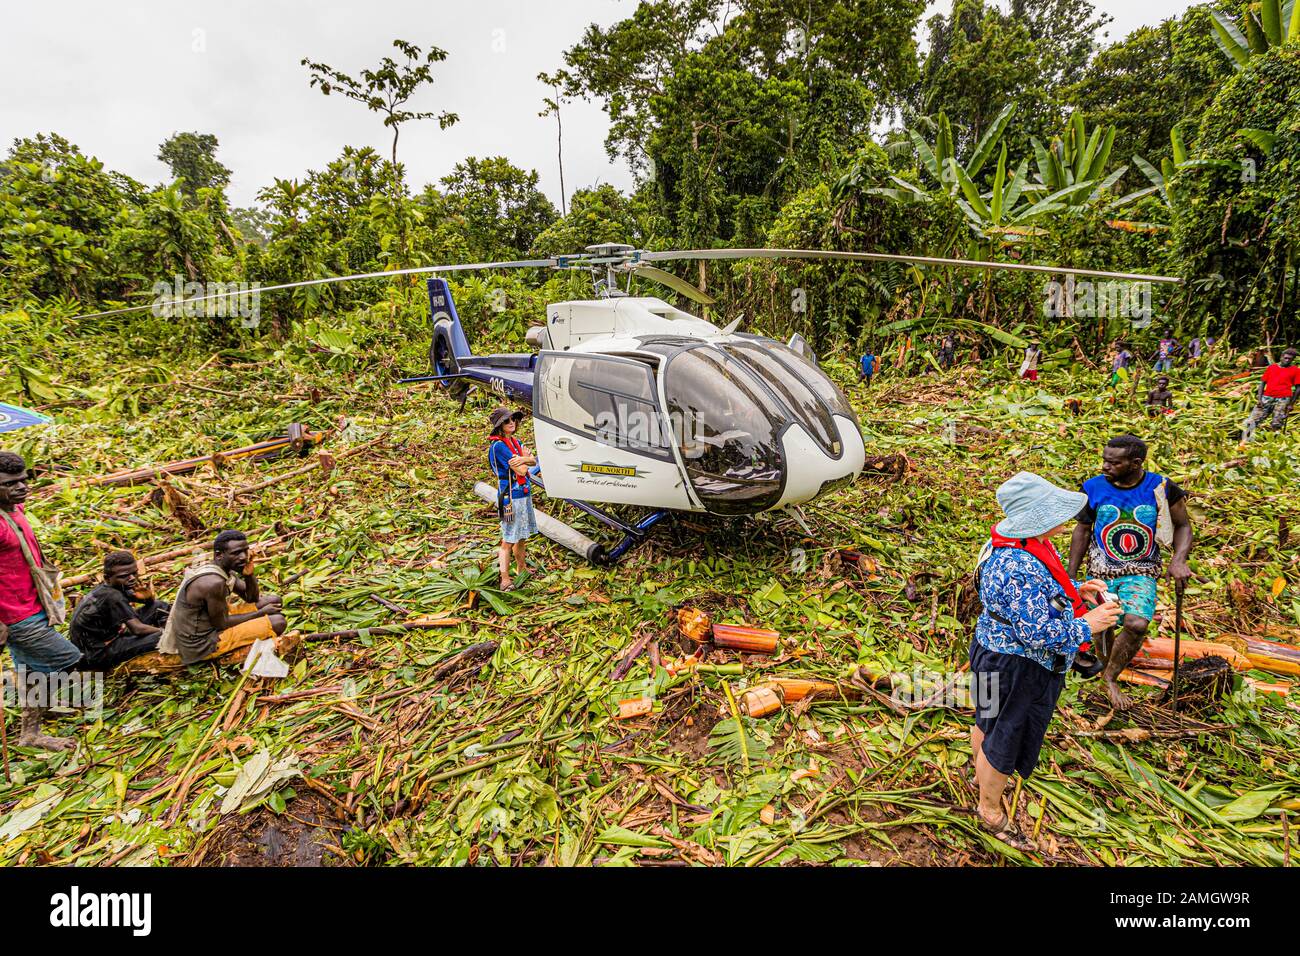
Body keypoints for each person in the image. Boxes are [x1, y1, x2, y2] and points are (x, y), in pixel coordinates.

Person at [971, 472, 1122, 849]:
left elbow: (1033, 598)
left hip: (989, 651)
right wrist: (1088, 625)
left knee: (985, 718)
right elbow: (1036, 633)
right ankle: (990, 810)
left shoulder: (1009, 544)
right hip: (1018, 667)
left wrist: (1076, 591)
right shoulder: (1021, 565)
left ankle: (978, 776)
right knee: (1006, 737)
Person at [1068, 436, 1192, 711]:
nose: (1105, 466)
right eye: (1104, 460)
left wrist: (1179, 560)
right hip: (1101, 568)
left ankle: (1110, 677)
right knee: (1103, 624)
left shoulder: (1161, 487)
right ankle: (1103, 671)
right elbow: (1083, 530)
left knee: (1136, 624)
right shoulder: (1093, 488)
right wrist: (1070, 575)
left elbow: (1183, 525)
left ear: (1136, 463)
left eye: (1114, 462)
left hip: (1141, 569)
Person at [0, 451, 82, 751]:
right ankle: (37, 706)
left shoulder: (14, 508)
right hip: (13, 614)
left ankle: (31, 732)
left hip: (35, 604)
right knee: (70, 659)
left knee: (31, 669)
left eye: (23, 481)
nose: (21, 488)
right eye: (10, 484)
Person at [160, 530, 285, 666]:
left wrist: (249, 575)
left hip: (213, 619)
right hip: (202, 643)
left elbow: (251, 598)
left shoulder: (224, 568)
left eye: (245, 551)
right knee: (278, 622)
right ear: (219, 555)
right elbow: (222, 624)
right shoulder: (212, 583)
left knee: (274, 600)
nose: (243, 557)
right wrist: (259, 614)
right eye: (236, 553)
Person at [69, 551, 170, 671]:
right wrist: (166, 633)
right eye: (124, 576)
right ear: (107, 578)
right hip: (97, 654)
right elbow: (137, 629)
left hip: (113, 633)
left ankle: (169, 633)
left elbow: (149, 604)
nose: (132, 578)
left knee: (158, 606)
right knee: (161, 636)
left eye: (134, 573)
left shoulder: (115, 586)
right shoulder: (112, 596)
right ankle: (171, 636)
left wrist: (148, 599)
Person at [488, 407, 537, 591]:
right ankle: (505, 579)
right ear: (500, 426)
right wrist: (527, 460)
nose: (512, 423)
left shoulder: (515, 442)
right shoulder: (499, 446)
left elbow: (533, 461)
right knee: (508, 540)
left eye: (513, 420)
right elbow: (524, 470)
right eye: (507, 421)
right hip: (510, 497)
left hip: (523, 493)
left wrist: (526, 459)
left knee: (521, 536)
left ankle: (521, 569)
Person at [1243, 347, 1299, 441]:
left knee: (1277, 422)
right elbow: (1262, 383)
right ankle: (1245, 439)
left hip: (1283, 399)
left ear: (1292, 360)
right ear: (1281, 357)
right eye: (1285, 358)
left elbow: (1298, 388)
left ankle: (1274, 442)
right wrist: (1259, 399)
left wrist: (1291, 404)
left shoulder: (1295, 370)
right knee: (1253, 419)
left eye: (1290, 359)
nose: (1287, 360)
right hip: (1267, 396)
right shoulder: (1272, 367)